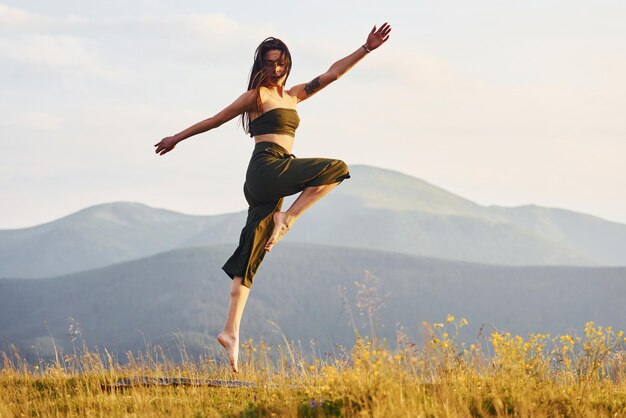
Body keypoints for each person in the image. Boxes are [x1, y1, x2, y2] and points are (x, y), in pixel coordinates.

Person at [154, 22, 391, 372]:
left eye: (280, 62)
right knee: (336, 168)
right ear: (261, 65)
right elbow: (215, 119)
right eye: (269, 62)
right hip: (266, 170)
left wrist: (366, 48)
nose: (275, 68)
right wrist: (177, 137)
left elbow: (333, 74)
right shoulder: (256, 97)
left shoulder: (293, 94)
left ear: (287, 63)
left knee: (250, 258)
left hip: (273, 178)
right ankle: (289, 219)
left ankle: (230, 333)